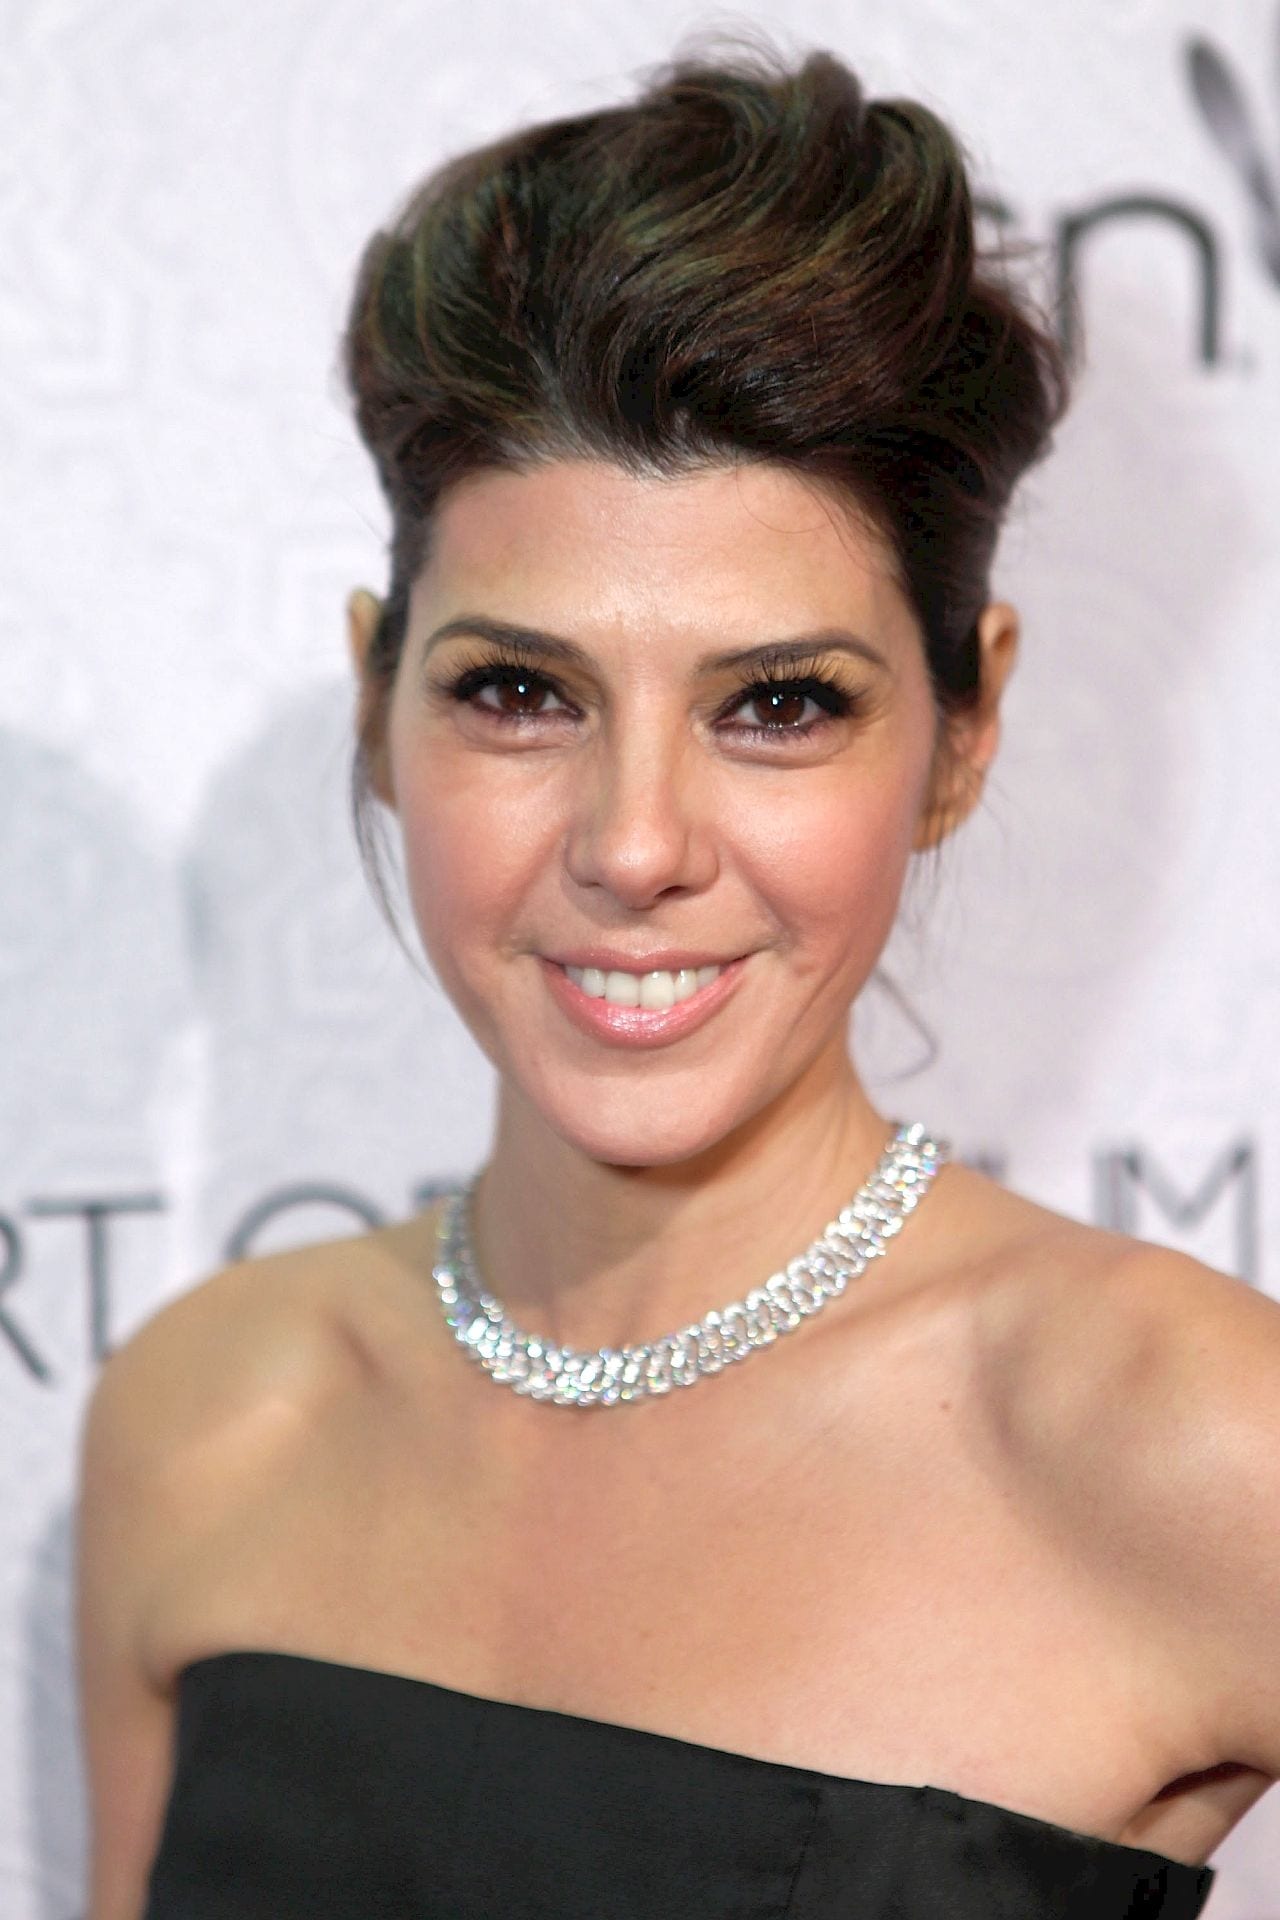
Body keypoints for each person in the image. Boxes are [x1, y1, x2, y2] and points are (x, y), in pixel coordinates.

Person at [74, 34, 1278, 1920]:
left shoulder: (1188, 1441)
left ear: (964, 732)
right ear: (379, 701)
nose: (635, 846)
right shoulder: (210, 1417)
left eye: (779, 705)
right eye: (518, 691)